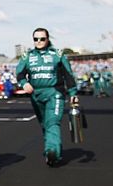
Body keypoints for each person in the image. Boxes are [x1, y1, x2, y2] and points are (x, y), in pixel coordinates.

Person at [16, 28, 79, 166]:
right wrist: (24, 83)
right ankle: (52, 149)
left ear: (48, 39)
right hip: (35, 94)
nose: (39, 42)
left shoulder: (58, 54)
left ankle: (52, 150)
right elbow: (19, 73)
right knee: (45, 123)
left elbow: (68, 75)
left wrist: (73, 94)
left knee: (53, 122)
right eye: (36, 39)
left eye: (42, 39)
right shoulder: (27, 56)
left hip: (54, 93)